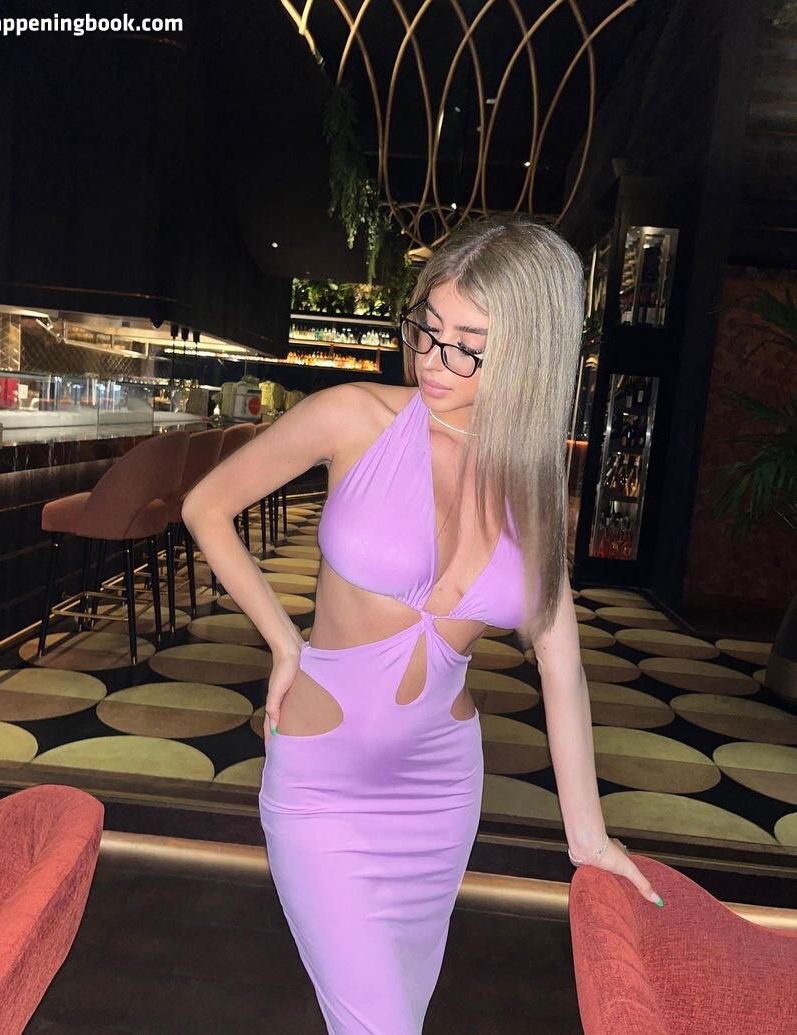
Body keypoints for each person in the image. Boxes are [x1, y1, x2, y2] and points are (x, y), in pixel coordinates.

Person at [182, 215, 664, 1034]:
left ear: (528, 354)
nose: (435, 361)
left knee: (399, 1011)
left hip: (438, 790)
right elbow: (206, 506)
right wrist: (285, 640)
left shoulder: (531, 482)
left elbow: (561, 663)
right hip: (323, 782)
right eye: (427, 330)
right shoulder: (353, 415)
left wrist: (587, 836)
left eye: (468, 346)